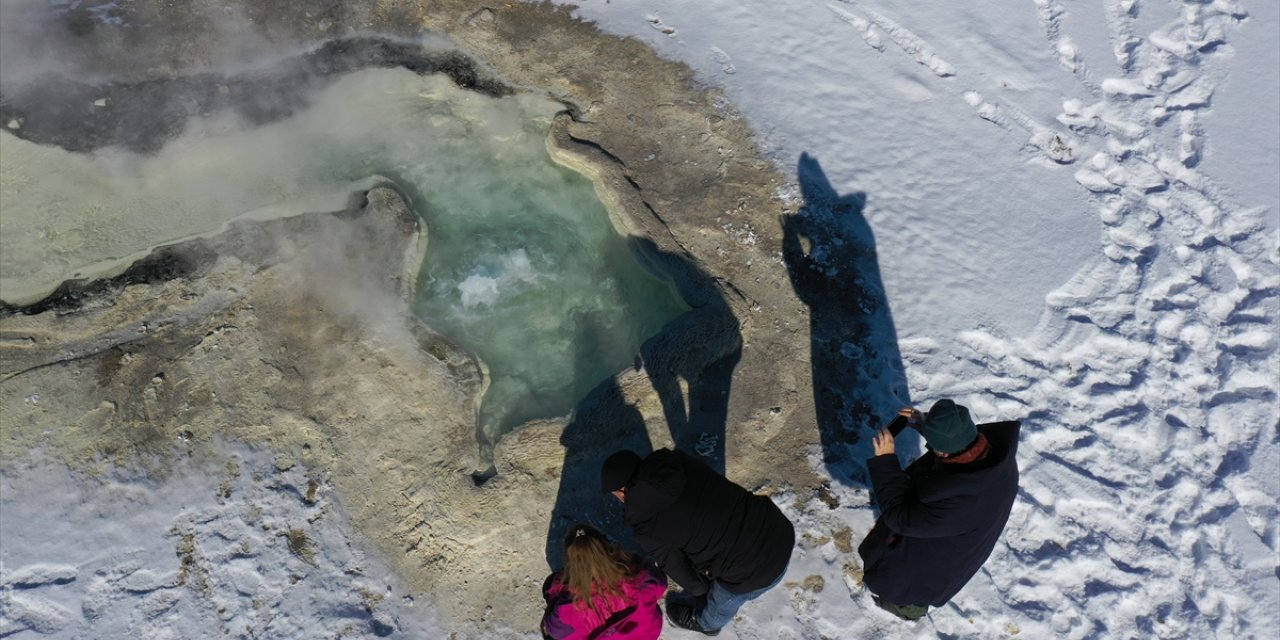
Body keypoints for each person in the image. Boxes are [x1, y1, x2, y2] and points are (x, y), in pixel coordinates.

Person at [601, 449, 794, 636]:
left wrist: (702, 591)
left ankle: (707, 624)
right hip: (776, 526)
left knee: (723, 602)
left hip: (753, 572)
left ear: (620, 492)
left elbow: (676, 566)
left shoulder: (644, 522)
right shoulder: (674, 461)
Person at [858, 398, 1021, 620]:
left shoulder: (960, 503)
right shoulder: (994, 456)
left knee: (902, 590)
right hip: (959, 541)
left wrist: (886, 461)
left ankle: (904, 609)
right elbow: (959, 441)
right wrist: (930, 427)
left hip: (931, 569)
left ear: (943, 452)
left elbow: (900, 517)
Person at [540, 523, 667, 640]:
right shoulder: (639, 579)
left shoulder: (567, 610)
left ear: (570, 562)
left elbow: (553, 630)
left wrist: (558, 590)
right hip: (645, 634)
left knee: (549, 585)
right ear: (606, 548)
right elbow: (660, 584)